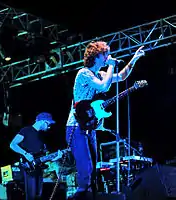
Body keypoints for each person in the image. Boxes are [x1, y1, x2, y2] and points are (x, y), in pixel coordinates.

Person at [65, 41, 145, 198]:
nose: (108, 56)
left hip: (89, 127)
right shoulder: (84, 73)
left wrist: (134, 59)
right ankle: (81, 196)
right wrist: (111, 65)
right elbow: (103, 87)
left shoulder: (100, 74)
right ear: (96, 56)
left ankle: (90, 194)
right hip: (75, 127)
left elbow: (121, 77)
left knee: (93, 166)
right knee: (85, 167)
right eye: (105, 54)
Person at [10, 112, 63, 200]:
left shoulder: (42, 136)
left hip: (38, 168)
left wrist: (55, 158)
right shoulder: (26, 130)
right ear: (43, 121)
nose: (50, 127)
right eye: (49, 124)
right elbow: (13, 144)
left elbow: (43, 157)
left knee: (38, 195)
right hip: (28, 168)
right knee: (31, 195)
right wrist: (25, 154)